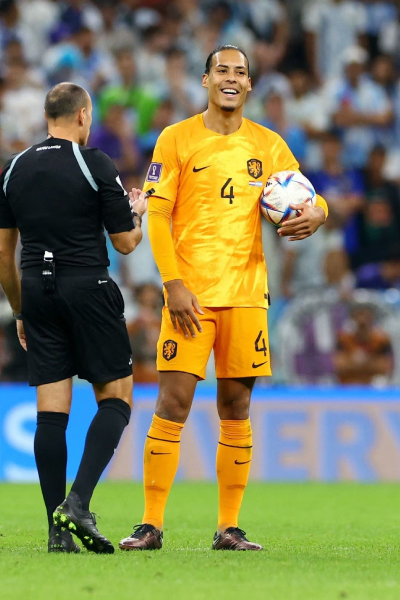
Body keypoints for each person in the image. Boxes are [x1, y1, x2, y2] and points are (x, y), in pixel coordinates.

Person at [118, 45, 329, 552]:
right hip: (188, 295)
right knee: (173, 403)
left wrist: (320, 212)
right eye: (222, 71)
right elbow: (160, 216)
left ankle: (229, 527)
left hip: (246, 295)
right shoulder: (176, 139)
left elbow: (308, 193)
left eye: (240, 72)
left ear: (249, 84)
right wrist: (172, 284)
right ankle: (150, 525)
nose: (231, 79)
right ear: (206, 79)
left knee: (237, 408)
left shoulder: (269, 144)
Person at [0, 82, 148, 554]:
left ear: (47, 116)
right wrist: (137, 213)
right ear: (82, 116)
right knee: (117, 396)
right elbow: (124, 242)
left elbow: (2, 251)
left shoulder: (13, 169)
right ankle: (77, 503)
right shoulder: (94, 162)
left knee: (50, 413)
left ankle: (56, 530)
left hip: (36, 290)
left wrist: (20, 308)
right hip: (87, 285)